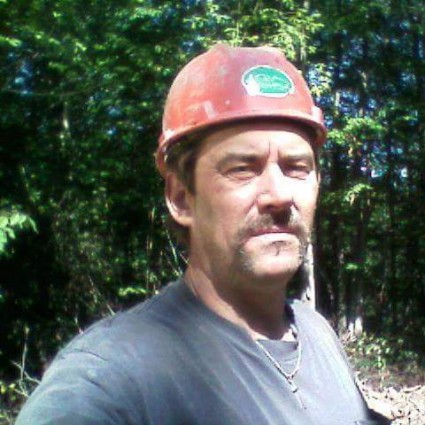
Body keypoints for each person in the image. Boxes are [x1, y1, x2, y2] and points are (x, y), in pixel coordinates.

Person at [16, 44, 390, 425]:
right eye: (243, 169)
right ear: (181, 198)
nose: (279, 195)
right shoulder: (115, 375)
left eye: (297, 168)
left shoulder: (316, 333)